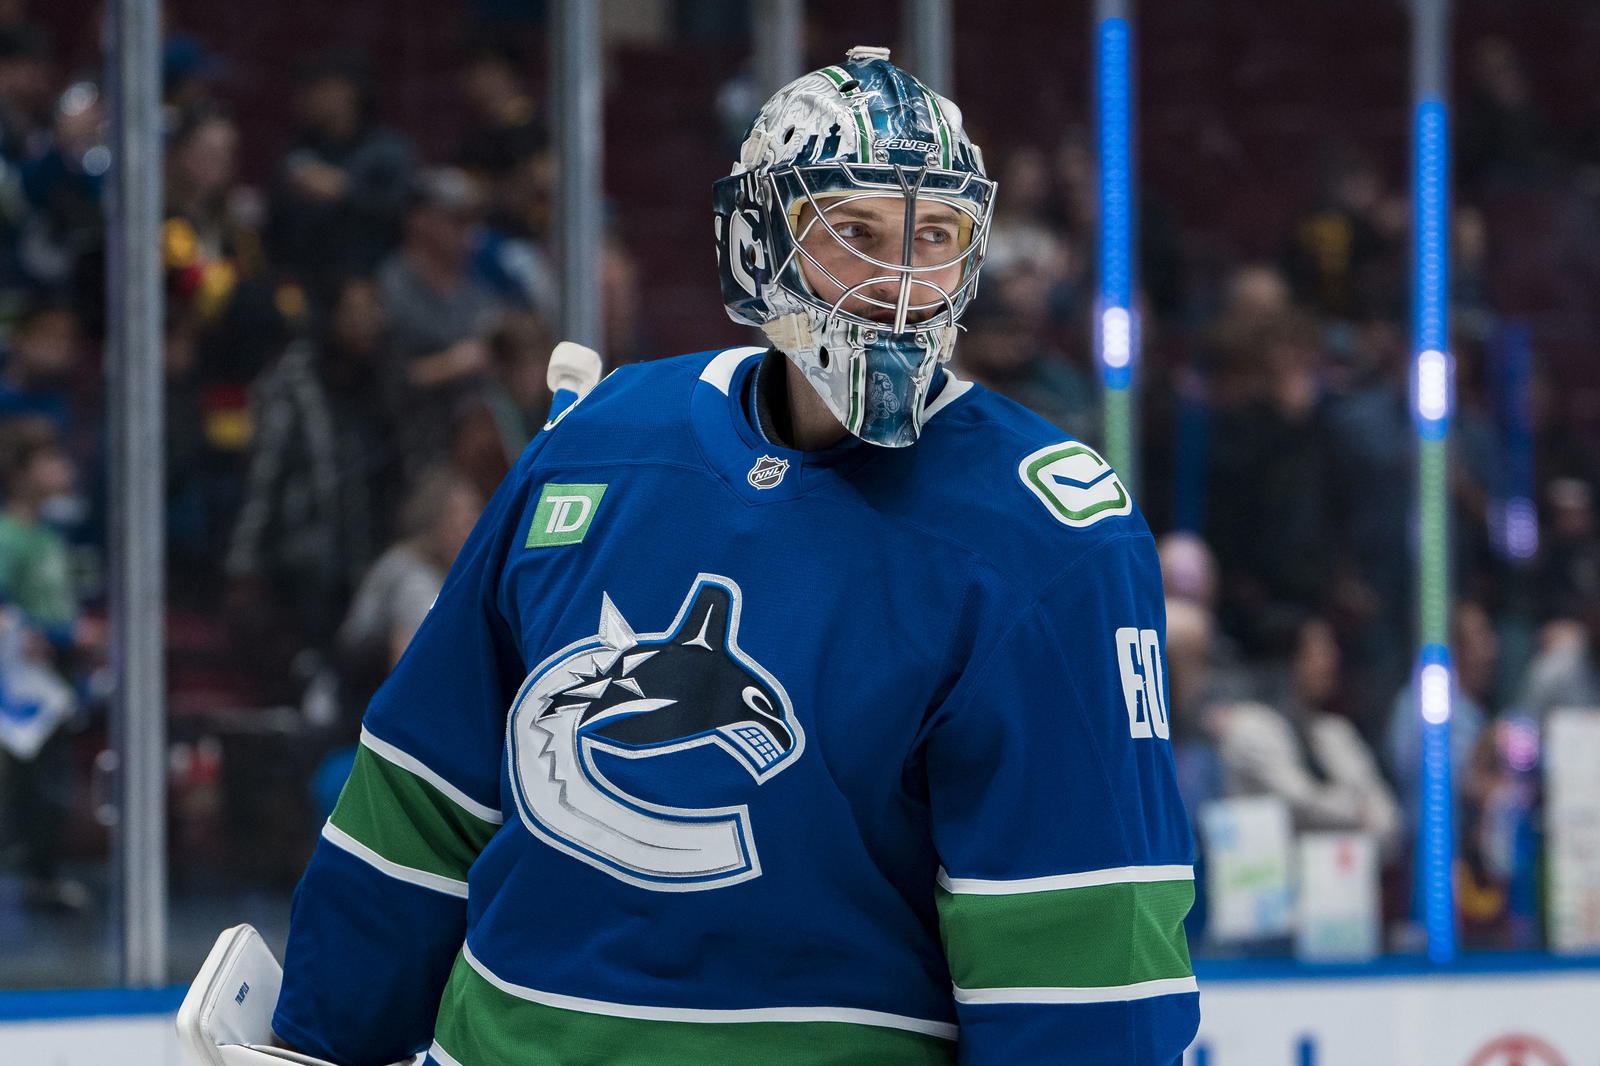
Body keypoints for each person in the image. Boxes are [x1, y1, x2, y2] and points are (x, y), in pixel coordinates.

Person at [271, 47, 1197, 1066]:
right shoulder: (602, 442)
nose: (898, 281)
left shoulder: (1049, 535)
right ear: (759, 241)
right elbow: (422, 794)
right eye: (851, 231)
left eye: (935, 235)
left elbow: (1079, 948)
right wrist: (318, 1044)